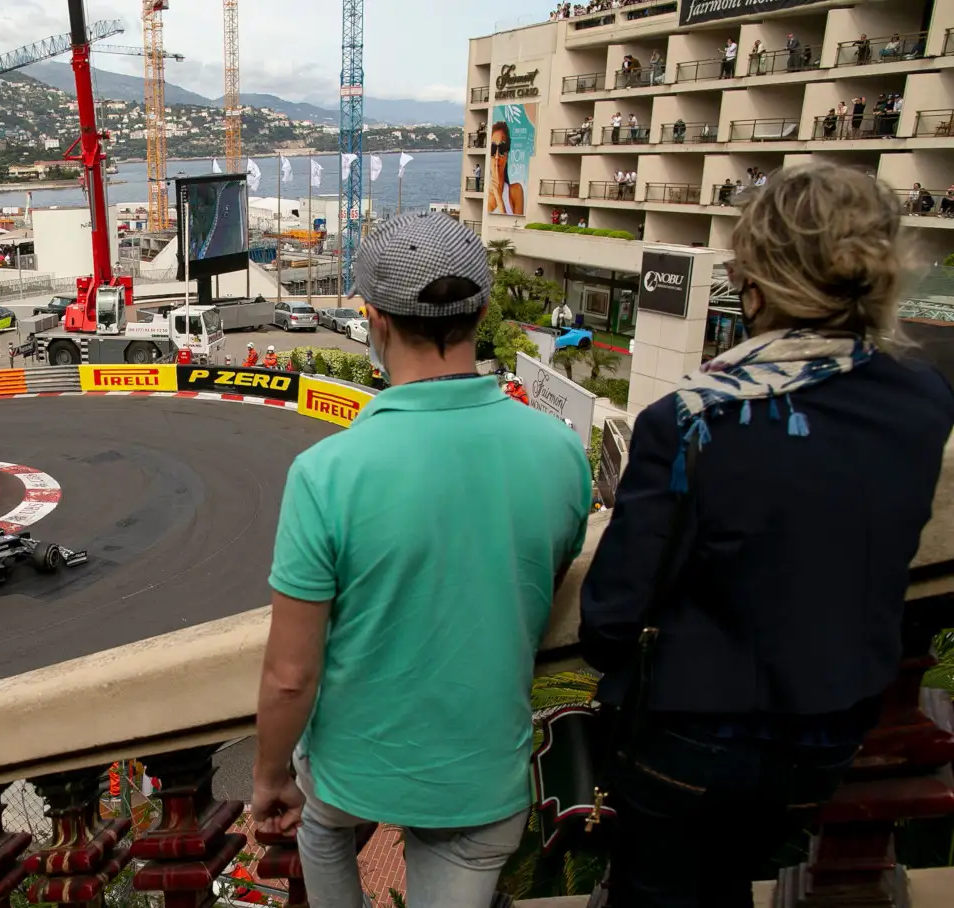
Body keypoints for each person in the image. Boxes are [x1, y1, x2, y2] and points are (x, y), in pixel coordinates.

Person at [582, 162, 954, 906]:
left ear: (758, 281)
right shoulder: (921, 399)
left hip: (692, 743)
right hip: (833, 730)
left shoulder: (692, 418)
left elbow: (612, 616)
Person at [253, 212, 590, 908]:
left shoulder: (326, 472)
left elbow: (290, 676)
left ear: (373, 320)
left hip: (353, 772)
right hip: (483, 777)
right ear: (484, 312)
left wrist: (268, 777)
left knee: (320, 824)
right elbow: (535, 588)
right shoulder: (560, 453)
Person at [487, 121, 524, 216]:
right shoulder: (486, 198)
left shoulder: (516, 190)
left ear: (507, 154)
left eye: (502, 149)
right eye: (493, 148)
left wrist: (499, 199)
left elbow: (515, 227)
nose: (496, 156)